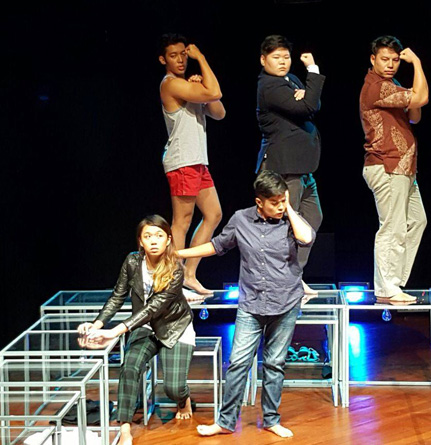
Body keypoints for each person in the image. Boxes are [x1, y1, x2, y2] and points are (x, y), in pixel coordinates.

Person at [177, 170, 315, 438]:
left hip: (285, 302)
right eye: (274, 202)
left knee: (275, 363)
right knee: (239, 362)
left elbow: (306, 238)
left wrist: (289, 208)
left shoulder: (289, 220)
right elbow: (217, 246)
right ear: (259, 201)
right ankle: (225, 422)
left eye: (282, 200)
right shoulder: (241, 219)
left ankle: (272, 419)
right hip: (251, 304)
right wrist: (179, 254)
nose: (279, 206)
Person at [77, 215, 196, 445]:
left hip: (174, 327)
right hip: (143, 327)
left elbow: (153, 308)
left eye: (159, 236)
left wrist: (115, 332)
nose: (153, 241)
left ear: (168, 240)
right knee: (129, 367)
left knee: (173, 388)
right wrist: (97, 324)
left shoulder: (175, 269)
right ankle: (125, 429)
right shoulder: (132, 262)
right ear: (140, 241)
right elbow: (117, 296)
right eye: (148, 236)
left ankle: (184, 399)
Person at [359, 35, 429, 302]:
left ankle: (394, 281)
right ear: (373, 59)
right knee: (392, 227)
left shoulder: (392, 84)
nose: (390, 65)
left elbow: (415, 113)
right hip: (386, 165)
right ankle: (387, 286)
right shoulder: (377, 87)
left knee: (417, 221)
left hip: (404, 168)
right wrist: (418, 64)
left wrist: (412, 97)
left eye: (395, 60)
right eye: (384, 59)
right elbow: (421, 98)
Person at [255, 35, 325, 295]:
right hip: (284, 167)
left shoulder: (290, 79)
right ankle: (278, 280)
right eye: (276, 57)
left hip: (302, 168)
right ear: (264, 60)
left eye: (286, 57)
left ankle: (294, 275)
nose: (283, 62)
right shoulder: (270, 87)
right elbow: (307, 107)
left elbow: (313, 105)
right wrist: (313, 71)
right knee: (285, 227)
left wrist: (306, 95)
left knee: (313, 218)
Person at [158, 33, 226, 296]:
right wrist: (202, 59)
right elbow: (216, 90)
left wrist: (202, 89)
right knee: (182, 221)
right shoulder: (170, 84)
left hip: (197, 161)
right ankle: (173, 280)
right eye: (174, 55)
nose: (180, 60)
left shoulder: (188, 85)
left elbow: (219, 111)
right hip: (182, 160)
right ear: (163, 59)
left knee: (214, 214)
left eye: (184, 55)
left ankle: (188, 274)